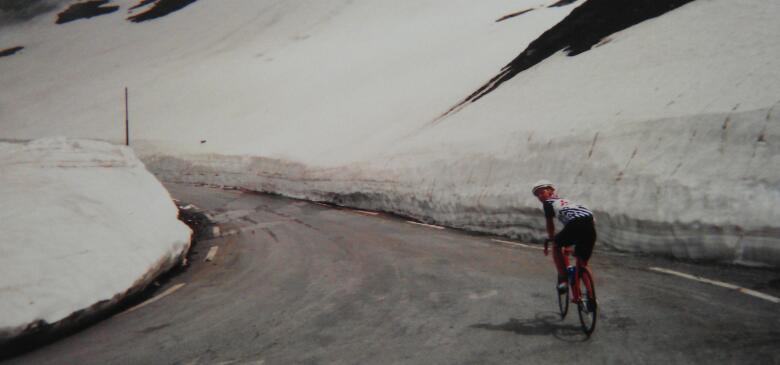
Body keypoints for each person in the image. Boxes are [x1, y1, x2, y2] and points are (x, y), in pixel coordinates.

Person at [531, 180, 596, 293]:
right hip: (590, 225)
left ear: (551, 191)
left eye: (542, 192)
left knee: (556, 245)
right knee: (582, 263)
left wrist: (552, 238)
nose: (540, 196)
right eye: (538, 195)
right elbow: (576, 223)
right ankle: (592, 298)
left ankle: (564, 280)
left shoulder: (548, 203)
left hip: (576, 224)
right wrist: (569, 243)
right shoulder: (569, 202)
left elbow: (550, 223)